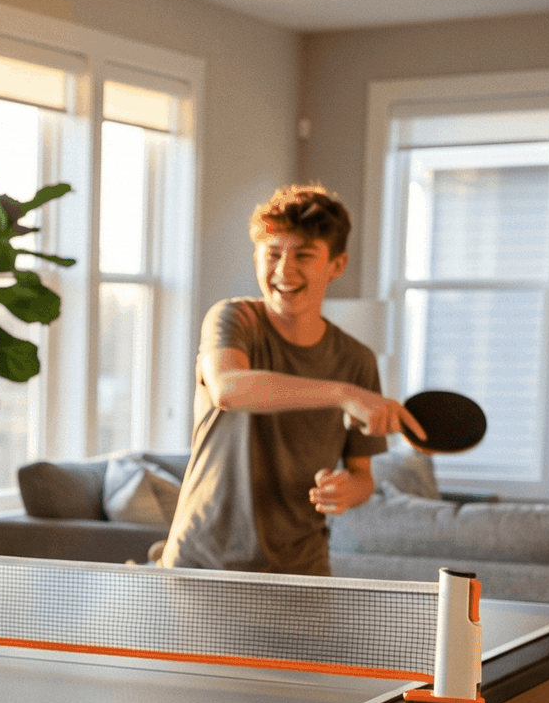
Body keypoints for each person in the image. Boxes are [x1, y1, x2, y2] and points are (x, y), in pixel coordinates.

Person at [158, 184, 422, 575]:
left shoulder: (356, 360)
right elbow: (228, 388)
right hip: (201, 561)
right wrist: (341, 394)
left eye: (304, 255)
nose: (284, 270)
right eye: (273, 253)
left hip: (300, 569)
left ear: (337, 264)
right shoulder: (234, 320)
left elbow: (362, 475)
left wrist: (350, 490)